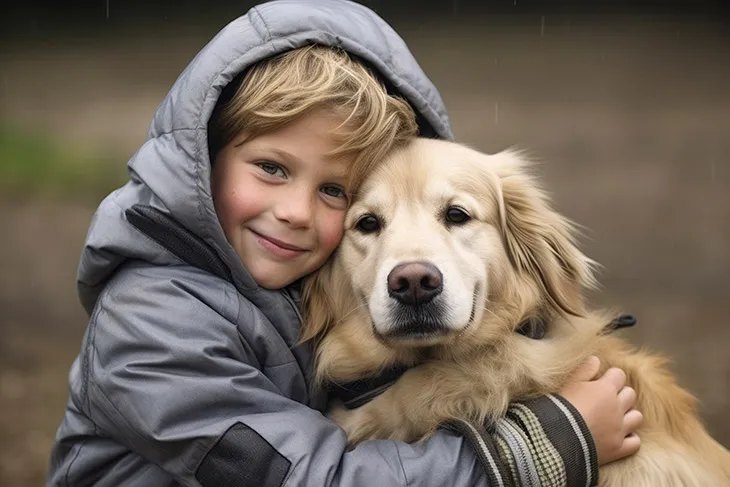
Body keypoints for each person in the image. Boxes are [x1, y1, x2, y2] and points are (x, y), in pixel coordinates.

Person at [47, 1, 642, 485]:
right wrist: (541, 448)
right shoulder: (150, 325)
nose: (297, 212)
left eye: (335, 189)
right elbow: (311, 479)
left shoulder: (287, 278)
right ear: (203, 159)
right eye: (272, 169)